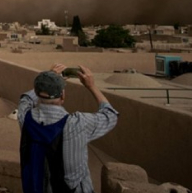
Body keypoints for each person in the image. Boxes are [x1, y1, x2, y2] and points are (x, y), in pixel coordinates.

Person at [18, 63, 118, 193]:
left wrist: (47, 80)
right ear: (63, 96)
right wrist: (91, 86)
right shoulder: (77, 124)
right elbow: (110, 115)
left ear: (37, 92)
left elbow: (26, 99)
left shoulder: (25, 117)